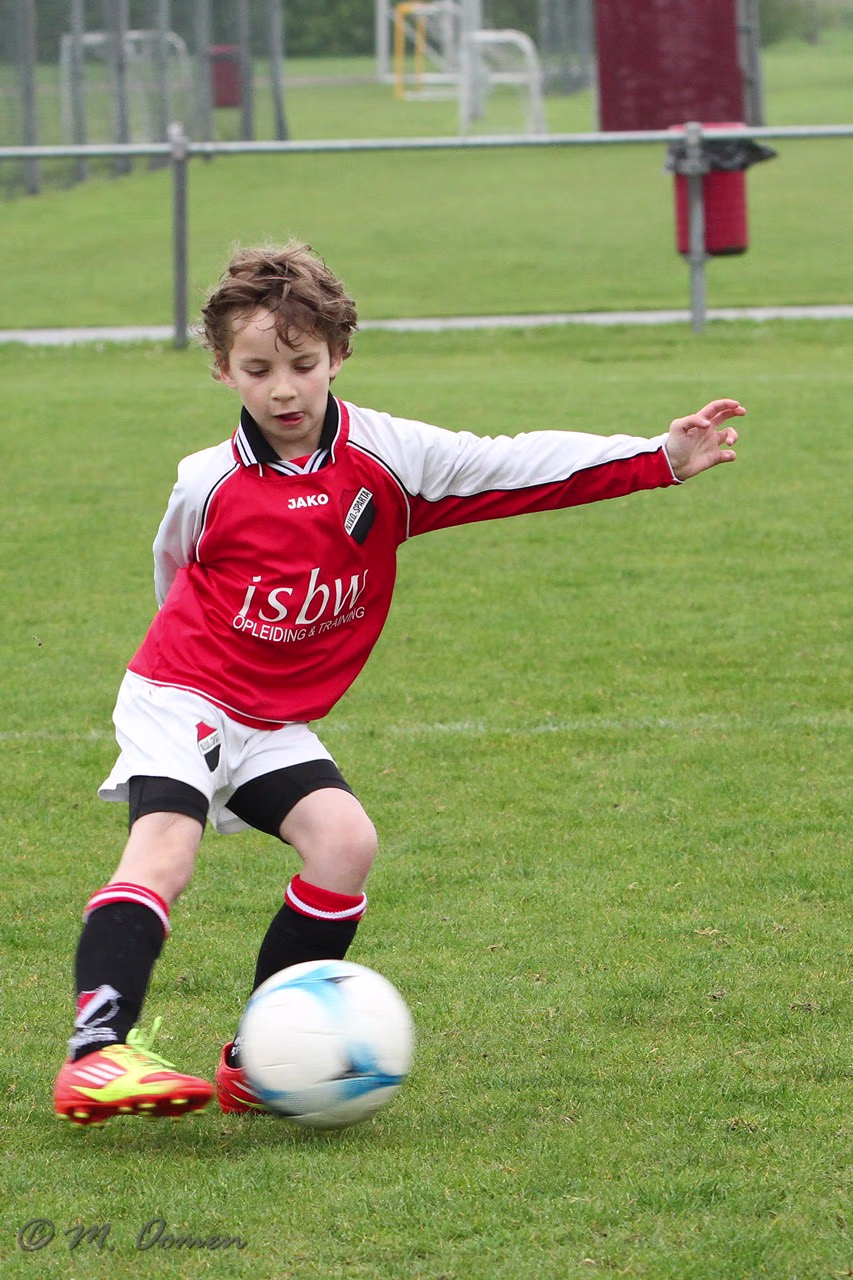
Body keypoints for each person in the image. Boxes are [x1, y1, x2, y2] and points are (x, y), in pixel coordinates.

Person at [53, 241, 745, 1126]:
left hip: (272, 718)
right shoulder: (207, 480)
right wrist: (192, 691)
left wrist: (658, 457)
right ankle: (97, 1054)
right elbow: (175, 574)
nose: (284, 390)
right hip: (181, 692)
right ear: (224, 371)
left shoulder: (389, 455)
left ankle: (258, 1059)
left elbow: (512, 464)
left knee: (344, 844)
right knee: (166, 852)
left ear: (337, 354)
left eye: (302, 365)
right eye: (258, 371)